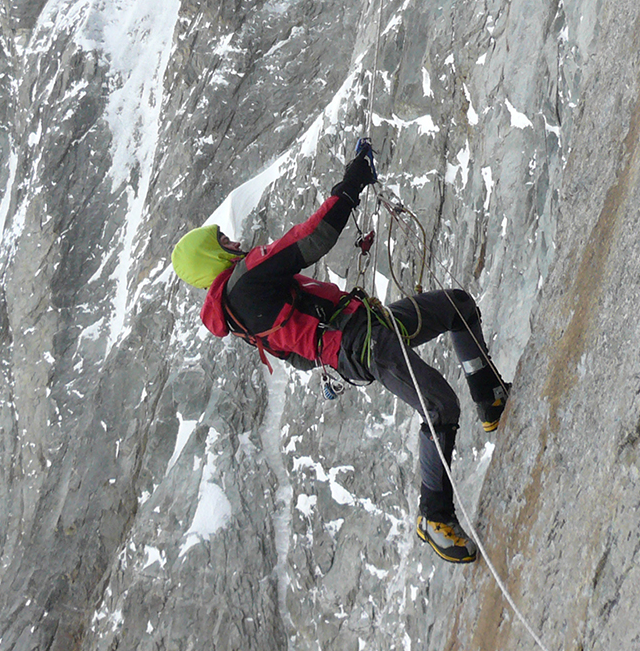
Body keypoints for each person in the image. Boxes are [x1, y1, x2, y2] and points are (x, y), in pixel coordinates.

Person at [170, 143, 508, 564]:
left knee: (458, 306)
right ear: (210, 256)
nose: (232, 239)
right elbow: (311, 239)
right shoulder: (244, 282)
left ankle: (490, 398)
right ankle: (433, 517)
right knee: (439, 406)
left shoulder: (236, 309)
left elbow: (293, 350)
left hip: (363, 331)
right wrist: (352, 183)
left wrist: (331, 354)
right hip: (362, 340)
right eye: (221, 240)